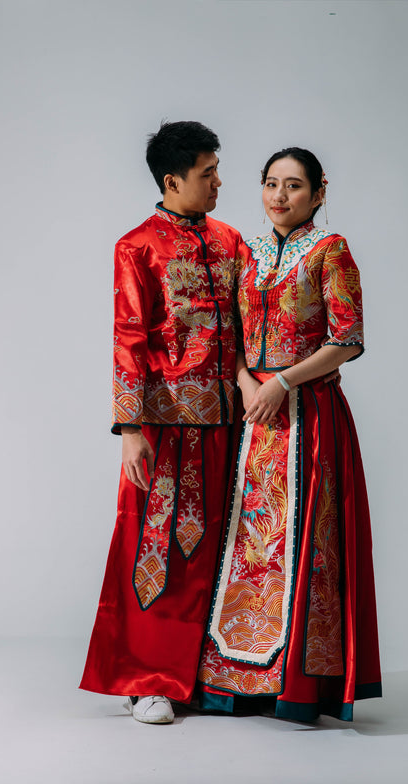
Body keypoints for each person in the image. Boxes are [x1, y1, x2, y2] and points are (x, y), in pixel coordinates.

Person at [198, 147, 381, 722]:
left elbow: (347, 339)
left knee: (305, 542)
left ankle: (297, 686)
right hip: (252, 415)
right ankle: (235, 681)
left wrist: (282, 382)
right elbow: (228, 334)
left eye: (294, 185)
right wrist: (247, 385)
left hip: (310, 417)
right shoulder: (243, 252)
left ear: (318, 193)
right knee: (244, 542)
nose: (280, 196)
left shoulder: (331, 251)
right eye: (271, 183)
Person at [80, 121, 247, 724]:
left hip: (232, 423)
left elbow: (250, 325)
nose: (219, 183)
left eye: (218, 171)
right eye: (208, 173)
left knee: (226, 545)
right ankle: (147, 679)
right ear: (173, 181)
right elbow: (128, 335)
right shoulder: (138, 247)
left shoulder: (231, 241)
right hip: (165, 424)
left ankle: (215, 678)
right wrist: (130, 429)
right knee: (155, 549)